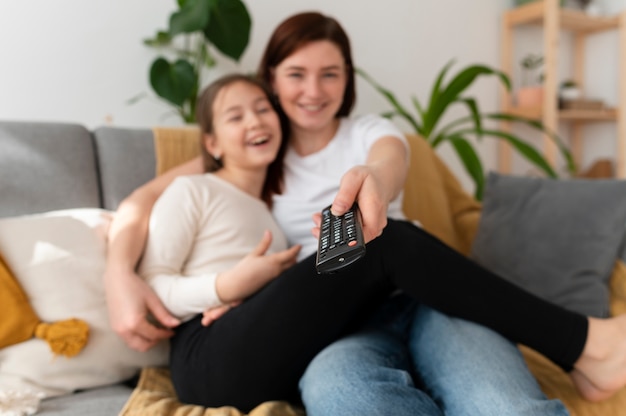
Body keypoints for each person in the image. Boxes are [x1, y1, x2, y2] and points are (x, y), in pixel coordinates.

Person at [103, 11, 626, 414]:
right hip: (336, 321)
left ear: (347, 79)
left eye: (330, 74)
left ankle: (586, 349)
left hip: (429, 297)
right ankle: (584, 342)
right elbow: (141, 203)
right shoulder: (253, 153)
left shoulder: (368, 132)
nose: (313, 91)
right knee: (353, 399)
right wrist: (118, 273)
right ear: (272, 79)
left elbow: (388, 161)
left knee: (503, 404)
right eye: (296, 75)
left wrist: (373, 180)